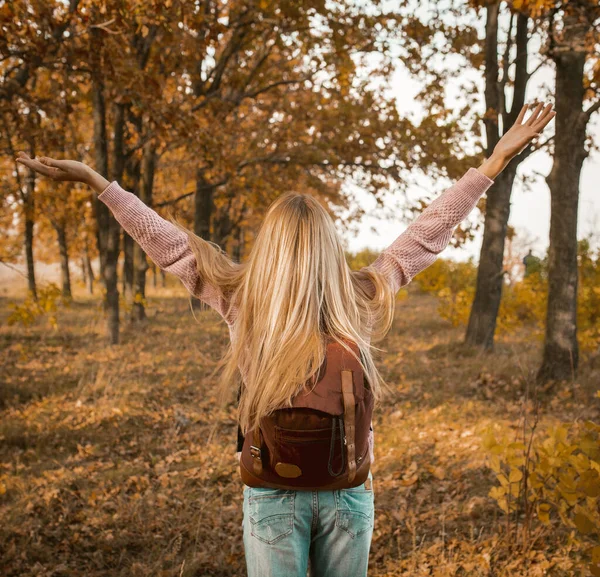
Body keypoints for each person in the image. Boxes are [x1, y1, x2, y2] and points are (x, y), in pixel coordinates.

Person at [16, 101, 555, 577]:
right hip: (348, 488)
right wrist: (492, 163)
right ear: (329, 246)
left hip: (272, 488)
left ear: (269, 245)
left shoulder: (240, 299)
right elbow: (426, 233)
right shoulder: (361, 296)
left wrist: (96, 181)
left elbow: (165, 241)